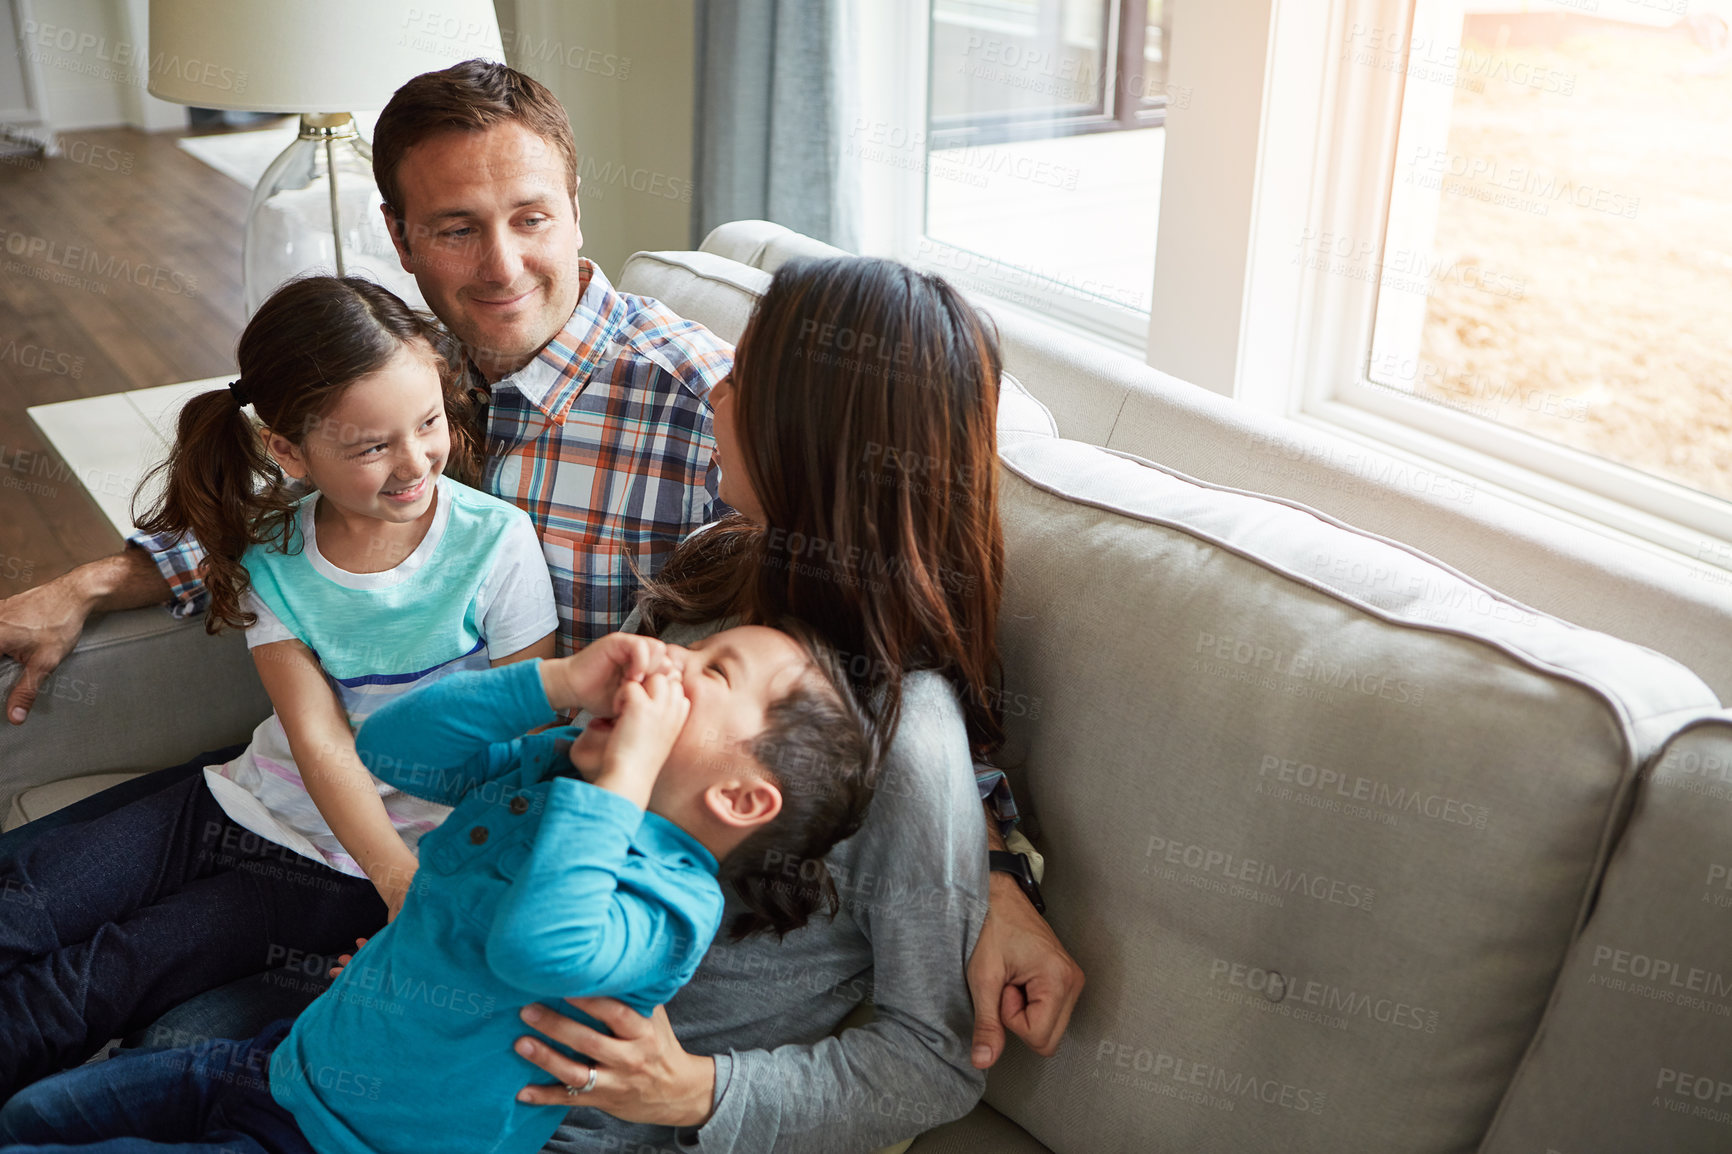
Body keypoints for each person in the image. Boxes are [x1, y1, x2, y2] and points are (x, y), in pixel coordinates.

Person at [0, 55, 1082, 1126]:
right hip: (422, 908)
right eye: (455, 227)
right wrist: (106, 575)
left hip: (483, 1033)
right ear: (403, 238)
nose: (720, 388)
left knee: (152, 1043)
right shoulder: (702, 574)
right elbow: (335, 524)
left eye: (530, 216)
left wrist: (983, 871)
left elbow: (924, 1003)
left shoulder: (691, 440)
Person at [506, 256, 1078, 1153]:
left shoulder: (905, 744)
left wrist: (693, 1092)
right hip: (446, 1036)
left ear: (804, 436)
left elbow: (933, 1057)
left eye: (744, 376)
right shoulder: (710, 571)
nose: (716, 392)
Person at [0, 625, 876, 1154]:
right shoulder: (555, 774)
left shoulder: (670, 908)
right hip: (282, 1065)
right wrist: (560, 682)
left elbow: (539, 942)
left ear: (740, 799)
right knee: (37, 1113)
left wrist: (629, 769)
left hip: (353, 1144)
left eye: (713, 673)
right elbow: (396, 752)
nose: (674, 662)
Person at [0, 275, 558, 1099]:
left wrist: (404, 887)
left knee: (99, 978)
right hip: (236, 798)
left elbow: (527, 748)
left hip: (345, 869)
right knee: (28, 901)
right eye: (372, 447)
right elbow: (315, 736)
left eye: (429, 422)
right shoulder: (278, 552)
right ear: (288, 452)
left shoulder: (498, 546)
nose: (415, 464)